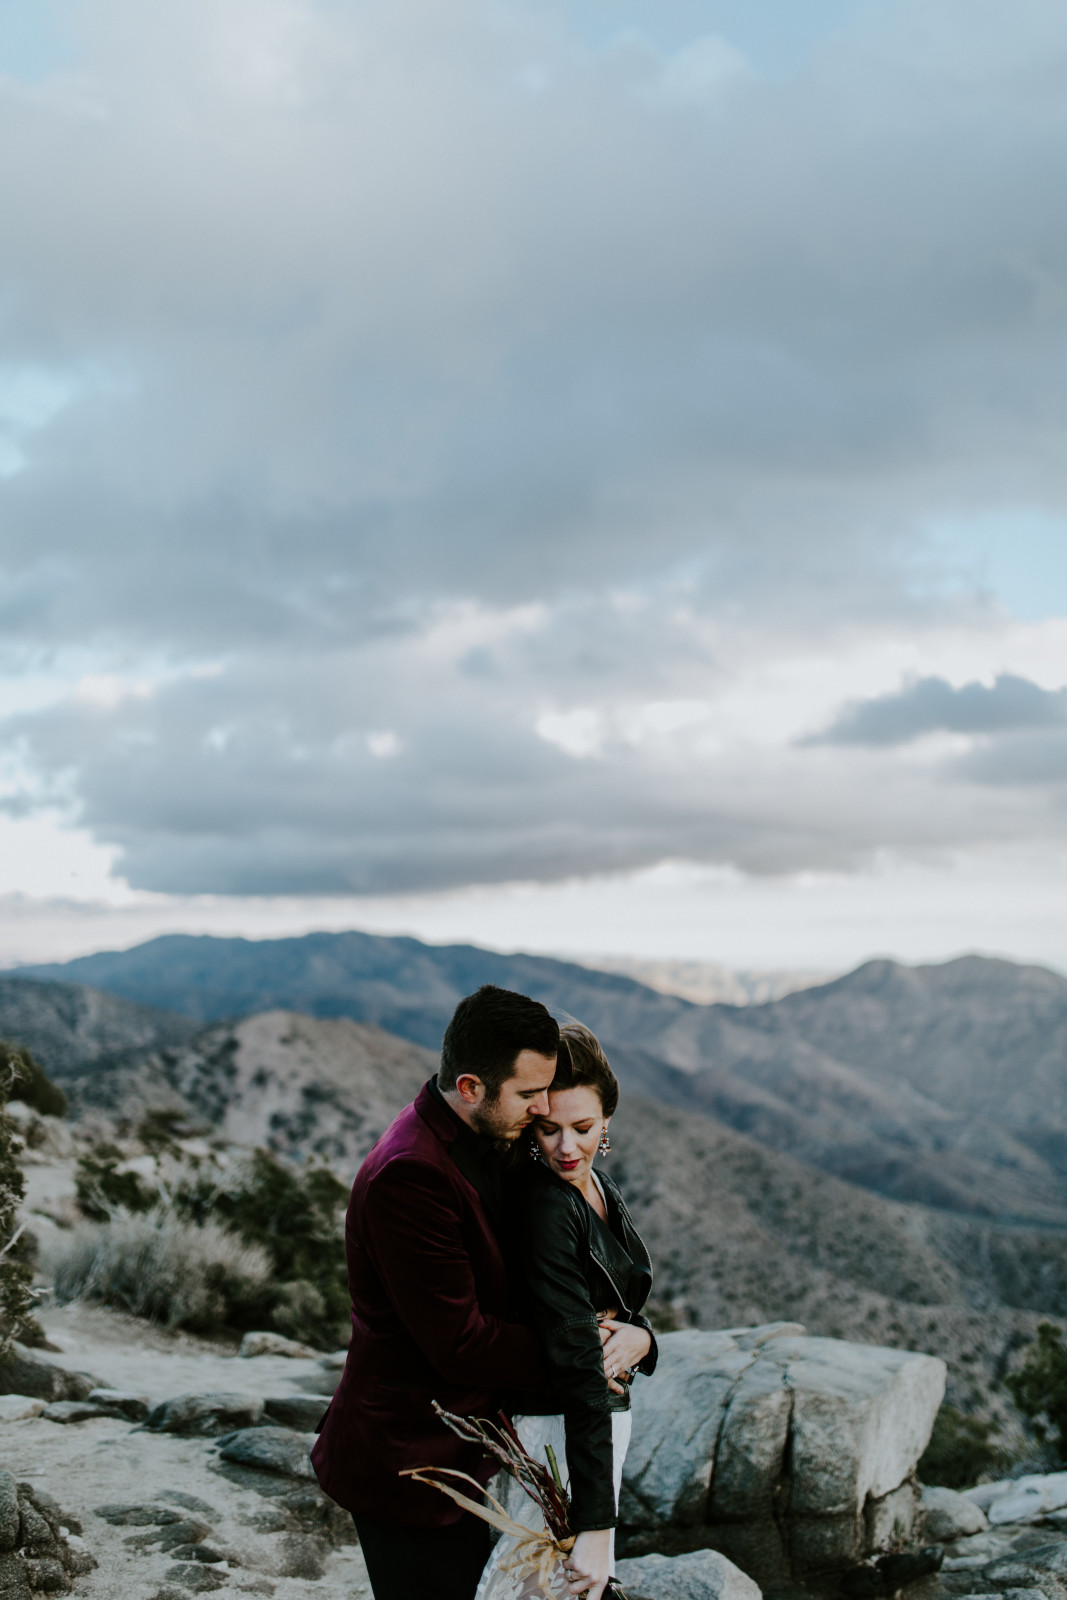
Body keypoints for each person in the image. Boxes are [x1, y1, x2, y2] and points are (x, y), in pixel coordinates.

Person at [310, 985, 622, 1600]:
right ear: (472, 1087)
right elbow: (461, 1342)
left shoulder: (488, 1137)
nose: (541, 1110)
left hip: (472, 1448)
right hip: (410, 1462)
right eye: (530, 1094)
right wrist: (585, 1353)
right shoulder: (412, 1175)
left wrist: (632, 1333)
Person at [477, 1022, 657, 1600]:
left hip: (596, 1419)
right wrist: (598, 1527)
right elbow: (577, 1360)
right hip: (560, 1426)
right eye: (548, 1129)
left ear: (607, 1120)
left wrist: (645, 1341)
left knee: (560, 1586)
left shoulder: (599, 1188)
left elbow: (621, 1303)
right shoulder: (547, 1206)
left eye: (583, 1128)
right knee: (539, 1580)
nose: (565, 1148)